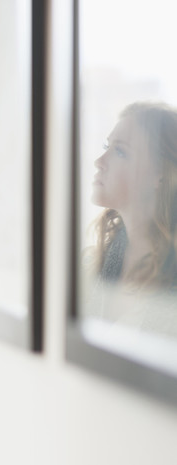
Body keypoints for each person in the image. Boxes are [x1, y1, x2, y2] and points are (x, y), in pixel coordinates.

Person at [85, 101, 177, 336]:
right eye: (107, 145)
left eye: (120, 151)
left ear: (160, 174)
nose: (99, 162)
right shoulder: (94, 261)